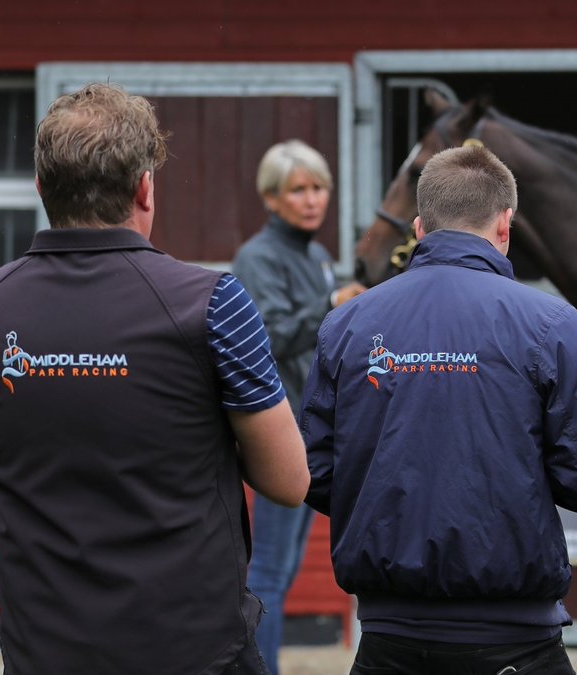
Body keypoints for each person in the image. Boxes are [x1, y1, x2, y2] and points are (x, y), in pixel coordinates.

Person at [0, 83, 310, 675]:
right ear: (145, 187)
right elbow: (290, 481)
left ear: (42, 189)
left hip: (44, 652)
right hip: (195, 653)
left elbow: (13, 445)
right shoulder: (212, 304)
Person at [300, 145, 577, 675]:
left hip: (388, 641)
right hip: (516, 643)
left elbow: (315, 471)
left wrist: (394, 504)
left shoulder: (349, 324)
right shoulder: (552, 324)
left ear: (420, 227)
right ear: (506, 224)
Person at [232, 139, 365, 674]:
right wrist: (330, 305)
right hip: (278, 430)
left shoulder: (317, 256)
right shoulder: (257, 257)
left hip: (313, 433)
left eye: (319, 188)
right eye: (298, 190)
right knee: (266, 568)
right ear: (271, 197)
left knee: (282, 570)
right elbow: (267, 336)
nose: (312, 200)